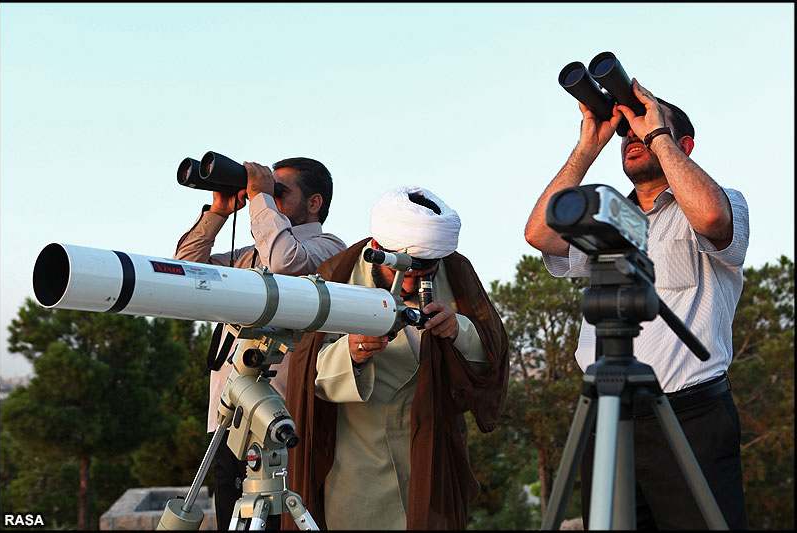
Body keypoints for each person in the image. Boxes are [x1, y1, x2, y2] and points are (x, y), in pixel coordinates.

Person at [524, 78, 749, 529]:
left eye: (644, 127)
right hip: (607, 413)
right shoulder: (609, 218)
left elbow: (711, 218)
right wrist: (588, 146)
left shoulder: (722, 203)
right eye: (627, 132)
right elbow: (539, 234)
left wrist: (657, 133)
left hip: (691, 416)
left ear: (680, 142)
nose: (633, 136)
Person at [282, 186, 509, 530]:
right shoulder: (338, 277)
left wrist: (457, 330)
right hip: (360, 474)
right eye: (406, 271)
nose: (413, 282)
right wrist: (352, 353)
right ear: (378, 249)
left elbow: (491, 358)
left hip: (434, 465)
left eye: (425, 271)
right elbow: (307, 376)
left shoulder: (456, 273)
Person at [173, 157, 346, 530]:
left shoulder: (328, 248)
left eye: (280, 192)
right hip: (227, 421)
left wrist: (260, 197)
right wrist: (219, 211)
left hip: (281, 426)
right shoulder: (248, 255)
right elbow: (184, 269)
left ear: (314, 203)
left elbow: (284, 263)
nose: (266, 198)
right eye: (267, 189)